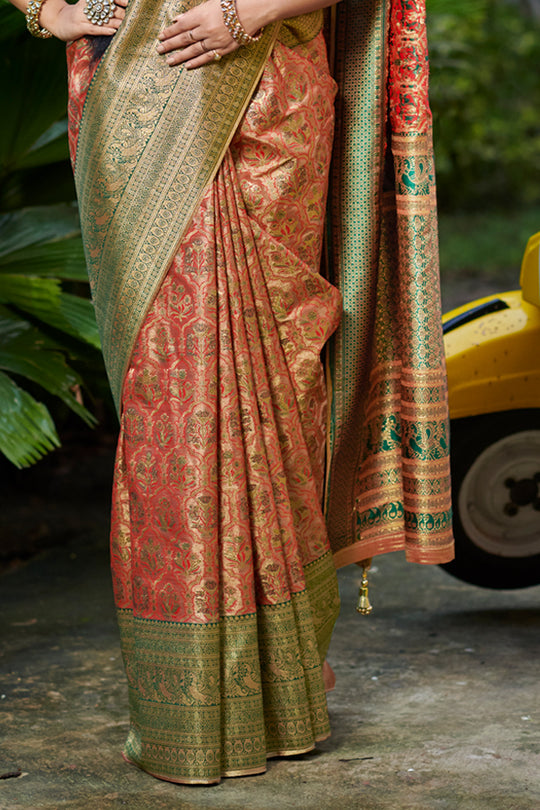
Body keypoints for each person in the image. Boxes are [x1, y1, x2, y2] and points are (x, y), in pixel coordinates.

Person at [15, 0, 454, 786]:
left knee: (277, 373)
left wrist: (243, 13)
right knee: (169, 397)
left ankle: (283, 677)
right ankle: (180, 707)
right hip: (136, 99)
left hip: (268, 89)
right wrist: (47, 11)